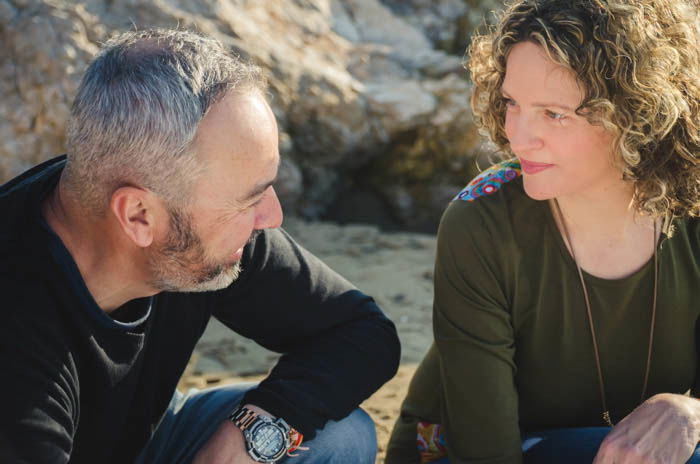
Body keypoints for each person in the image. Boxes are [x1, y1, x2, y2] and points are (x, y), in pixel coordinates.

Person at [0, 29, 400, 464]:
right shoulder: (17, 343)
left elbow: (363, 334)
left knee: (339, 436)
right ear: (138, 216)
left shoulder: (186, 227)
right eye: (248, 198)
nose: (272, 217)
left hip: (141, 438)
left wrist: (251, 434)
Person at [386, 0, 700, 462]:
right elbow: (486, 451)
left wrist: (691, 411)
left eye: (554, 113)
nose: (518, 135)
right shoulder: (480, 222)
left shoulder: (691, 211)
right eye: (512, 103)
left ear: (638, 114)